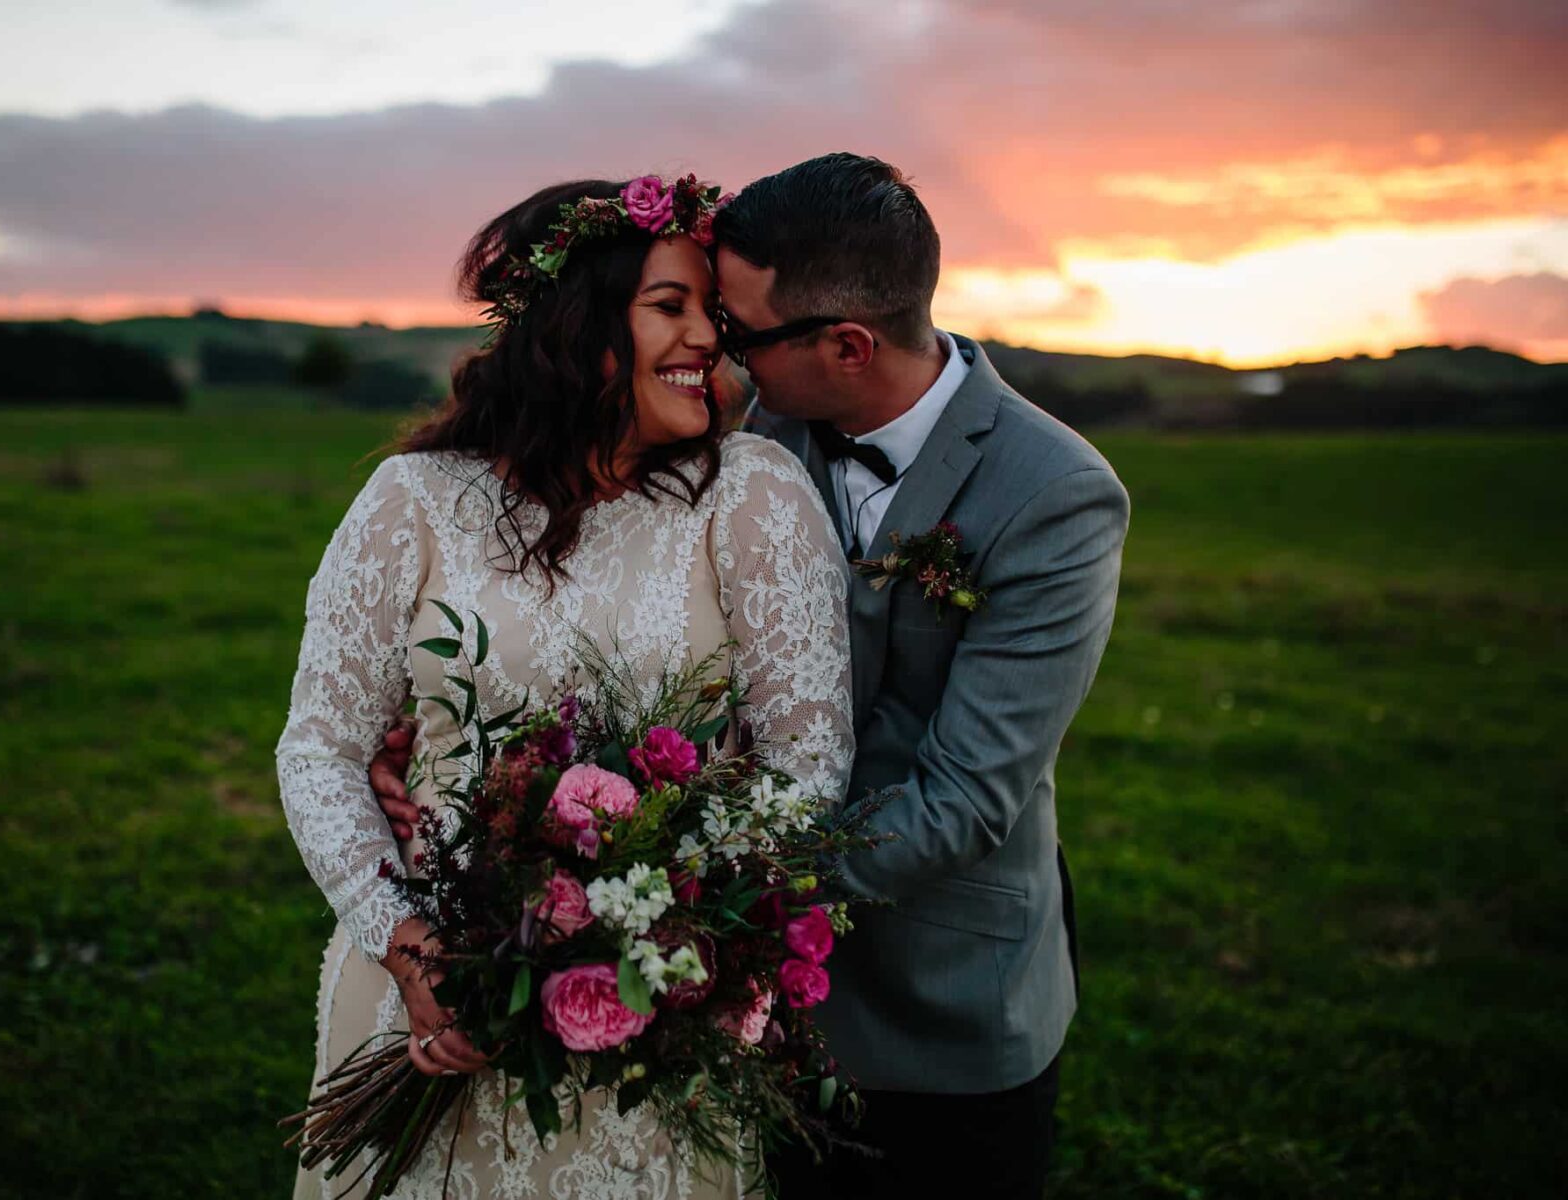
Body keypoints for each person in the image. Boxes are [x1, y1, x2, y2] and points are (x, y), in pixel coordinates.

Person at [373, 152, 1130, 1200]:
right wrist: (456, 731)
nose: (716, 353)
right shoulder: (758, 436)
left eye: (740, 332)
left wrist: (671, 892)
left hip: (938, 1000)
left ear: (848, 345)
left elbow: (964, 802)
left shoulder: (1056, 495)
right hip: (727, 1004)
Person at [275, 174, 855, 1199]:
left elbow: (807, 767)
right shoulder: (413, 499)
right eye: (668, 307)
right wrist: (411, 950)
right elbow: (320, 747)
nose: (704, 342)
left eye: (710, 317)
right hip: (419, 997)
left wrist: (660, 920)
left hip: (657, 1013)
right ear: (578, 322)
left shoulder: (754, 495)